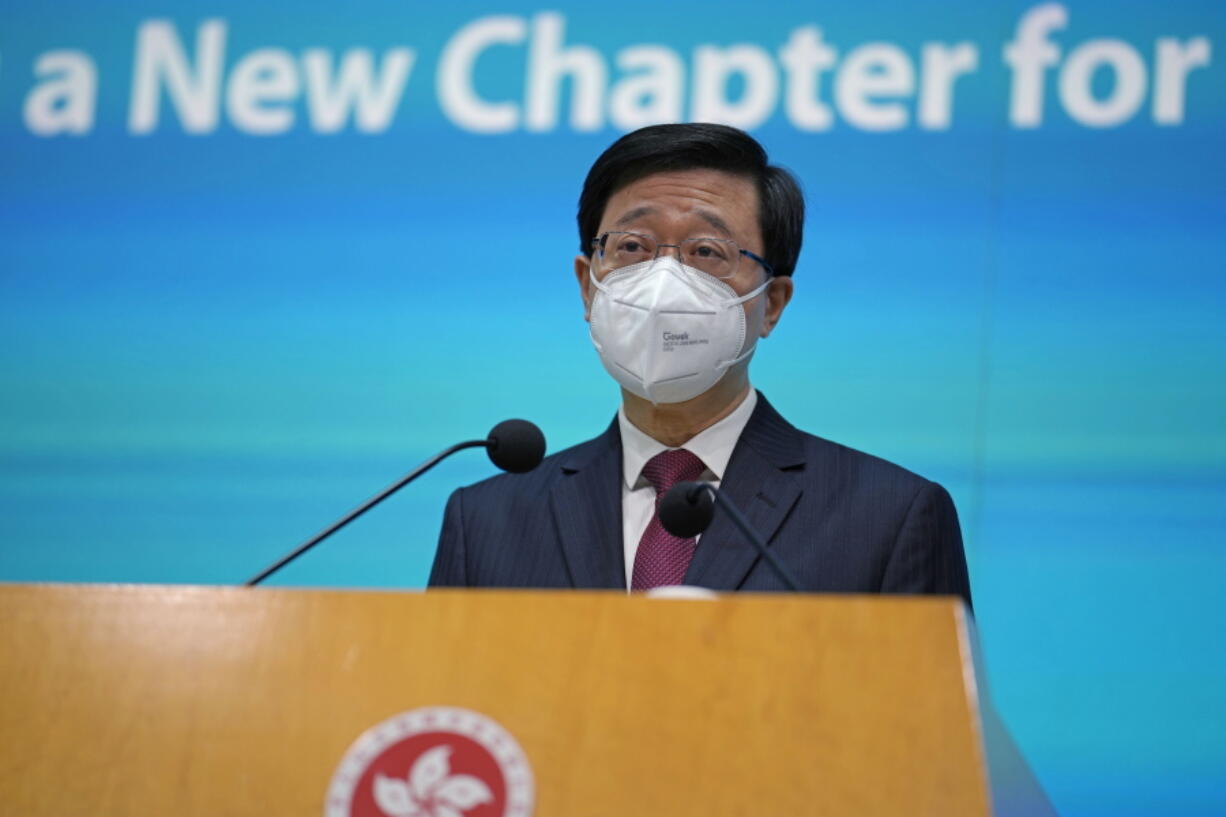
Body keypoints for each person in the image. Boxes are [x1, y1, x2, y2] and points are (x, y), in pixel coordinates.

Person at [429, 123, 972, 608]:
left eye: (708, 252)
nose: (663, 281)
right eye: (633, 246)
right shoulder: (486, 522)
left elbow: (926, 717)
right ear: (587, 286)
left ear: (772, 303)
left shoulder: (888, 516)